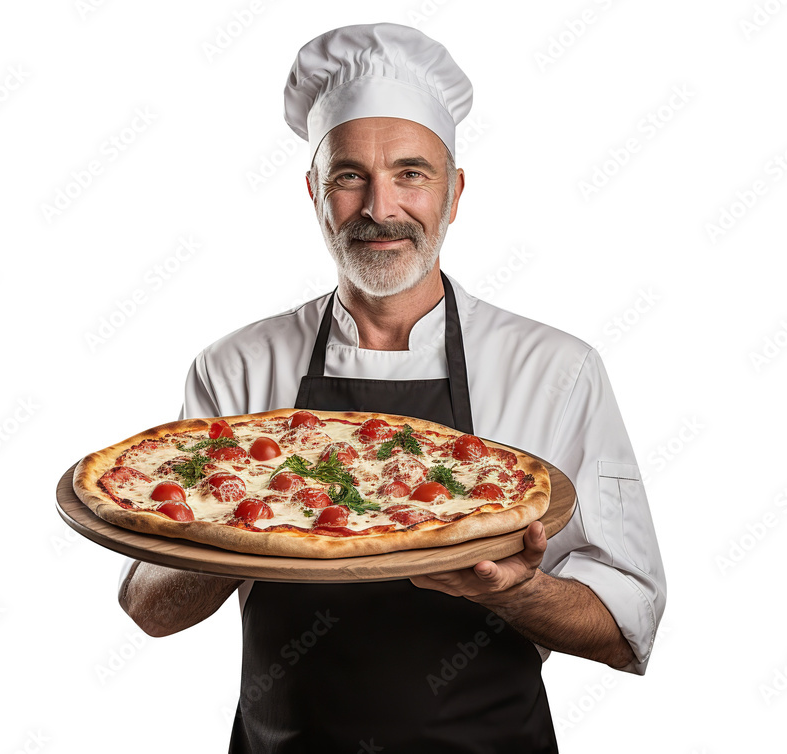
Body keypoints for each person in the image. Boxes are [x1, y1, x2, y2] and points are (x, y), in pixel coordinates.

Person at [118, 22, 666, 753]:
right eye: (350, 175)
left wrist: (515, 590)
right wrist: (236, 529)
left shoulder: (555, 368)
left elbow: (624, 628)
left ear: (454, 192)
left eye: (411, 173)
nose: (381, 208)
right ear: (315, 191)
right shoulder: (237, 369)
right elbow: (150, 610)